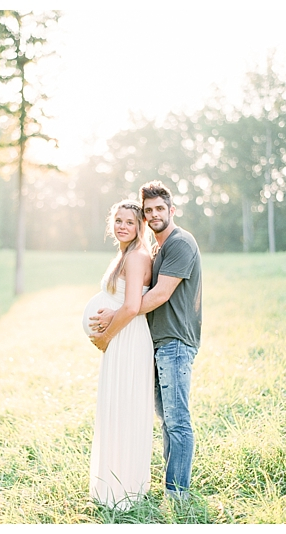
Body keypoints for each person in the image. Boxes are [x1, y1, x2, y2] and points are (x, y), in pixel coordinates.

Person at [90, 180, 202, 500]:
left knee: (177, 421)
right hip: (157, 341)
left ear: (171, 210)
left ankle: (177, 494)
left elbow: (161, 294)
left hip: (176, 341)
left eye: (159, 209)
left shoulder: (180, 243)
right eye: (149, 210)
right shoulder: (157, 247)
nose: (154, 215)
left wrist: (114, 321)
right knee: (165, 420)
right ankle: (162, 486)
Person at [83, 200, 154, 509]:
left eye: (129, 221)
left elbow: (132, 307)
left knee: (125, 409)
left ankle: (125, 491)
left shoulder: (137, 256)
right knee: (115, 407)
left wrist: (105, 336)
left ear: (139, 226)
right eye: (118, 220)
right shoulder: (124, 254)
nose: (123, 225)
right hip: (119, 339)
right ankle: (111, 484)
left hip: (128, 339)